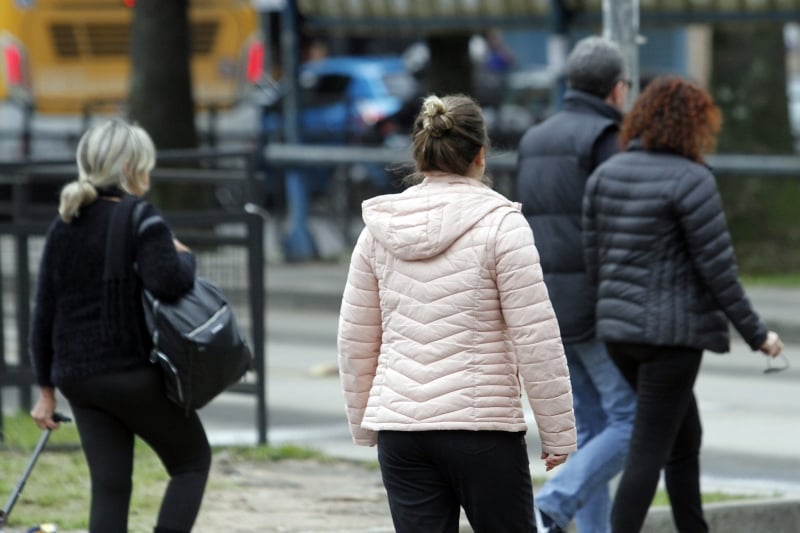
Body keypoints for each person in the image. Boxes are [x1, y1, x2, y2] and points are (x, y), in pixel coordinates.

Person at [337, 94, 577, 533]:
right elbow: (535, 336)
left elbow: (355, 338)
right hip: (482, 430)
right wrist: (558, 432)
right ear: (480, 155)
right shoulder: (502, 226)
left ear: (421, 154)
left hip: (401, 432)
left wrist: (365, 424)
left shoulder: (378, 232)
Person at [582, 75, 785, 533]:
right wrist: (758, 335)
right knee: (649, 448)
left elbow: (594, 261)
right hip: (670, 339)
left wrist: (611, 314)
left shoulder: (604, 175)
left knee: (683, 437)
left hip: (619, 334)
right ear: (694, 125)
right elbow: (718, 271)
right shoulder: (693, 181)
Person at [29, 118, 211, 533]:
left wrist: (45, 391)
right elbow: (170, 284)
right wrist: (183, 254)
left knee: (110, 487)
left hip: (77, 379)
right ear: (131, 169)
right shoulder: (139, 217)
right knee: (191, 462)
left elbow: (45, 312)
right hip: (128, 372)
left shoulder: (65, 223)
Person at [515, 35, 637, 533]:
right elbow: (621, 228)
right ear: (617, 90)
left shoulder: (534, 140)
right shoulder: (609, 142)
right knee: (634, 421)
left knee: (589, 427)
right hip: (597, 306)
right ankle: (553, 505)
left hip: (546, 302)